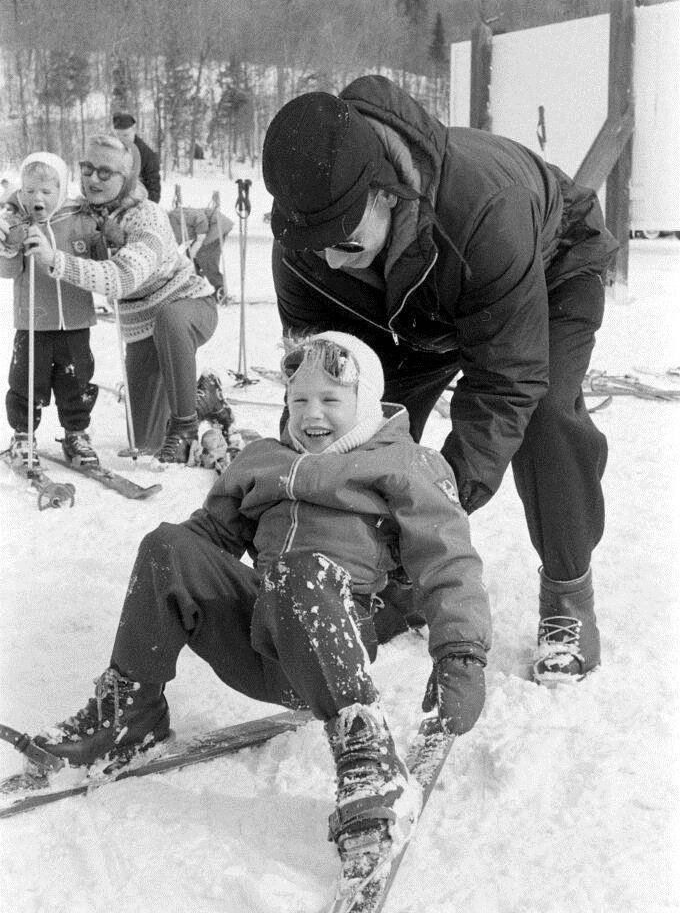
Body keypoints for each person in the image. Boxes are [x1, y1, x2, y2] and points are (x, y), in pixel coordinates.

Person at [35, 332, 491, 875]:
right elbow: (209, 539)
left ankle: (366, 753)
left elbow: (448, 561)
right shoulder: (262, 461)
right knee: (167, 546)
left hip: (337, 638)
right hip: (260, 636)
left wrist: (460, 653)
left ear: (366, 403)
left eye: (330, 401)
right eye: (298, 401)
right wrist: (171, 575)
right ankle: (129, 717)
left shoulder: (406, 465)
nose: (311, 414)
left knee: (303, 569)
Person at [262, 75, 619, 686]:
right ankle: (379, 578)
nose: (330, 262)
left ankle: (567, 589)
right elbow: (321, 389)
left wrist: (440, 501)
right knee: (357, 424)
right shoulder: (308, 238)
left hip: (546, 265)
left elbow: (508, 379)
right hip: (406, 307)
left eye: (345, 244)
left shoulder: (485, 206)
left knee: (546, 416)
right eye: (314, 247)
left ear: (386, 194)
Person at [22, 135, 223, 463]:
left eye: (105, 172)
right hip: (141, 327)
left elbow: (120, 279)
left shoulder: (148, 217)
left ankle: (186, 426)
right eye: (87, 168)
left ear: (126, 177)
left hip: (188, 305)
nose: (92, 179)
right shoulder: (82, 213)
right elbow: (34, 205)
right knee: (144, 441)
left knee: (169, 319)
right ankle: (203, 396)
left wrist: (55, 260)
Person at [0, 153, 100, 467]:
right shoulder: (16, 222)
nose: (37, 198)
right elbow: (8, 271)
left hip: (75, 320)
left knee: (77, 381)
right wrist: (8, 247)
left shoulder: (81, 218)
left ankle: (77, 434)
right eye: (29, 191)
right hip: (33, 322)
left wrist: (108, 238)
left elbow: (99, 262)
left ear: (62, 189)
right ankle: (23, 435)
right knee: (27, 380)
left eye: (45, 191)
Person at [112, 113, 161, 204]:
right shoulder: (111, 150)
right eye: (118, 135)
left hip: (138, 204)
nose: (121, 139)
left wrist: (144, 211)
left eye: (126, 135)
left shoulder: (148, 155)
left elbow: (154, 191)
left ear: (134, 130)